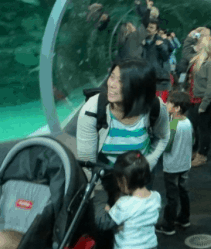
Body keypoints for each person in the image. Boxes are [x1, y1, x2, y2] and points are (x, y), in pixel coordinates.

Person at [76, 59, 170, 205]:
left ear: (139, 86)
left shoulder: (155, 107)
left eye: (121, 81)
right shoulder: (92, 110)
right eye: (112, 77)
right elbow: (88, 163)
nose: (112, 84)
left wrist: (151, 161)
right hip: (105, 181)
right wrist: (102, 194)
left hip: (140, 178)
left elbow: (163, 137)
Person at [95, 151, 161, 249]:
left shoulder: (123, 204)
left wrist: (101, 197)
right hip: (150, 246)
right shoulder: (156, 197)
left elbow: (104, 223)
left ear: (124, 181)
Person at [157, 92, 193, 235]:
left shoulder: (172, 125)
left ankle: (168, 225)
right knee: (183, 191)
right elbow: (193, 141)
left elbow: (167, 146)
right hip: (184, 165)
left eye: (169, 102)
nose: (166, 104)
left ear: (176, 108)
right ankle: (184, 218)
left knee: (172, 196)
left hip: (172, 166)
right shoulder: (188, 122)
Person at [186, 35, 211, 167]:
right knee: (194, 128)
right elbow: (186, 51)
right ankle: (195, 151)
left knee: (203, 129)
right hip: (194, 99)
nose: (197, 45)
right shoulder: (199, 59)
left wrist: (204, 105)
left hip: (203, 101)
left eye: (200, 43)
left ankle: (202, 155)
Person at [142, 19, 172, 100]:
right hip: (145, 81)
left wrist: (161, 46)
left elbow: (166, 56)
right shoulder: (140, 43)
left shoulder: (162, 42)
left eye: (151, 28)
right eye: (147, 27)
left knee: (159, 107)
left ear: (156, 31)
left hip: (159, 83)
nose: (148, 29)